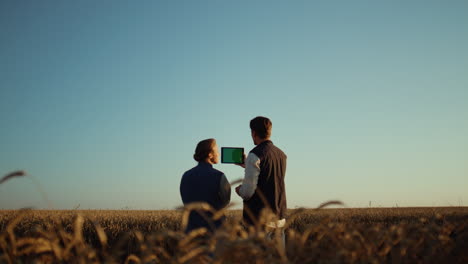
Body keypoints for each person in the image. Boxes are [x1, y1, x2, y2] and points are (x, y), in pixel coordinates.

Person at [235, 116, 287, 242]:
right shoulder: (281, 154)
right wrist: (247, 165)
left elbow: (247, 192)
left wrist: (239, 190)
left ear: (253, 133)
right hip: (279, 216)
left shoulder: (255, 154)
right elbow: (269, 178)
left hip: (260, 220)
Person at [180, 138, 231, 234]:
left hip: (191, 232)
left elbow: (185, 200)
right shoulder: (219, 176)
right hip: (215, 231)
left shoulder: (185, 175)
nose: (219, 154)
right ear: (210, 154)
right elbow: (226, 201)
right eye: (217, 151)